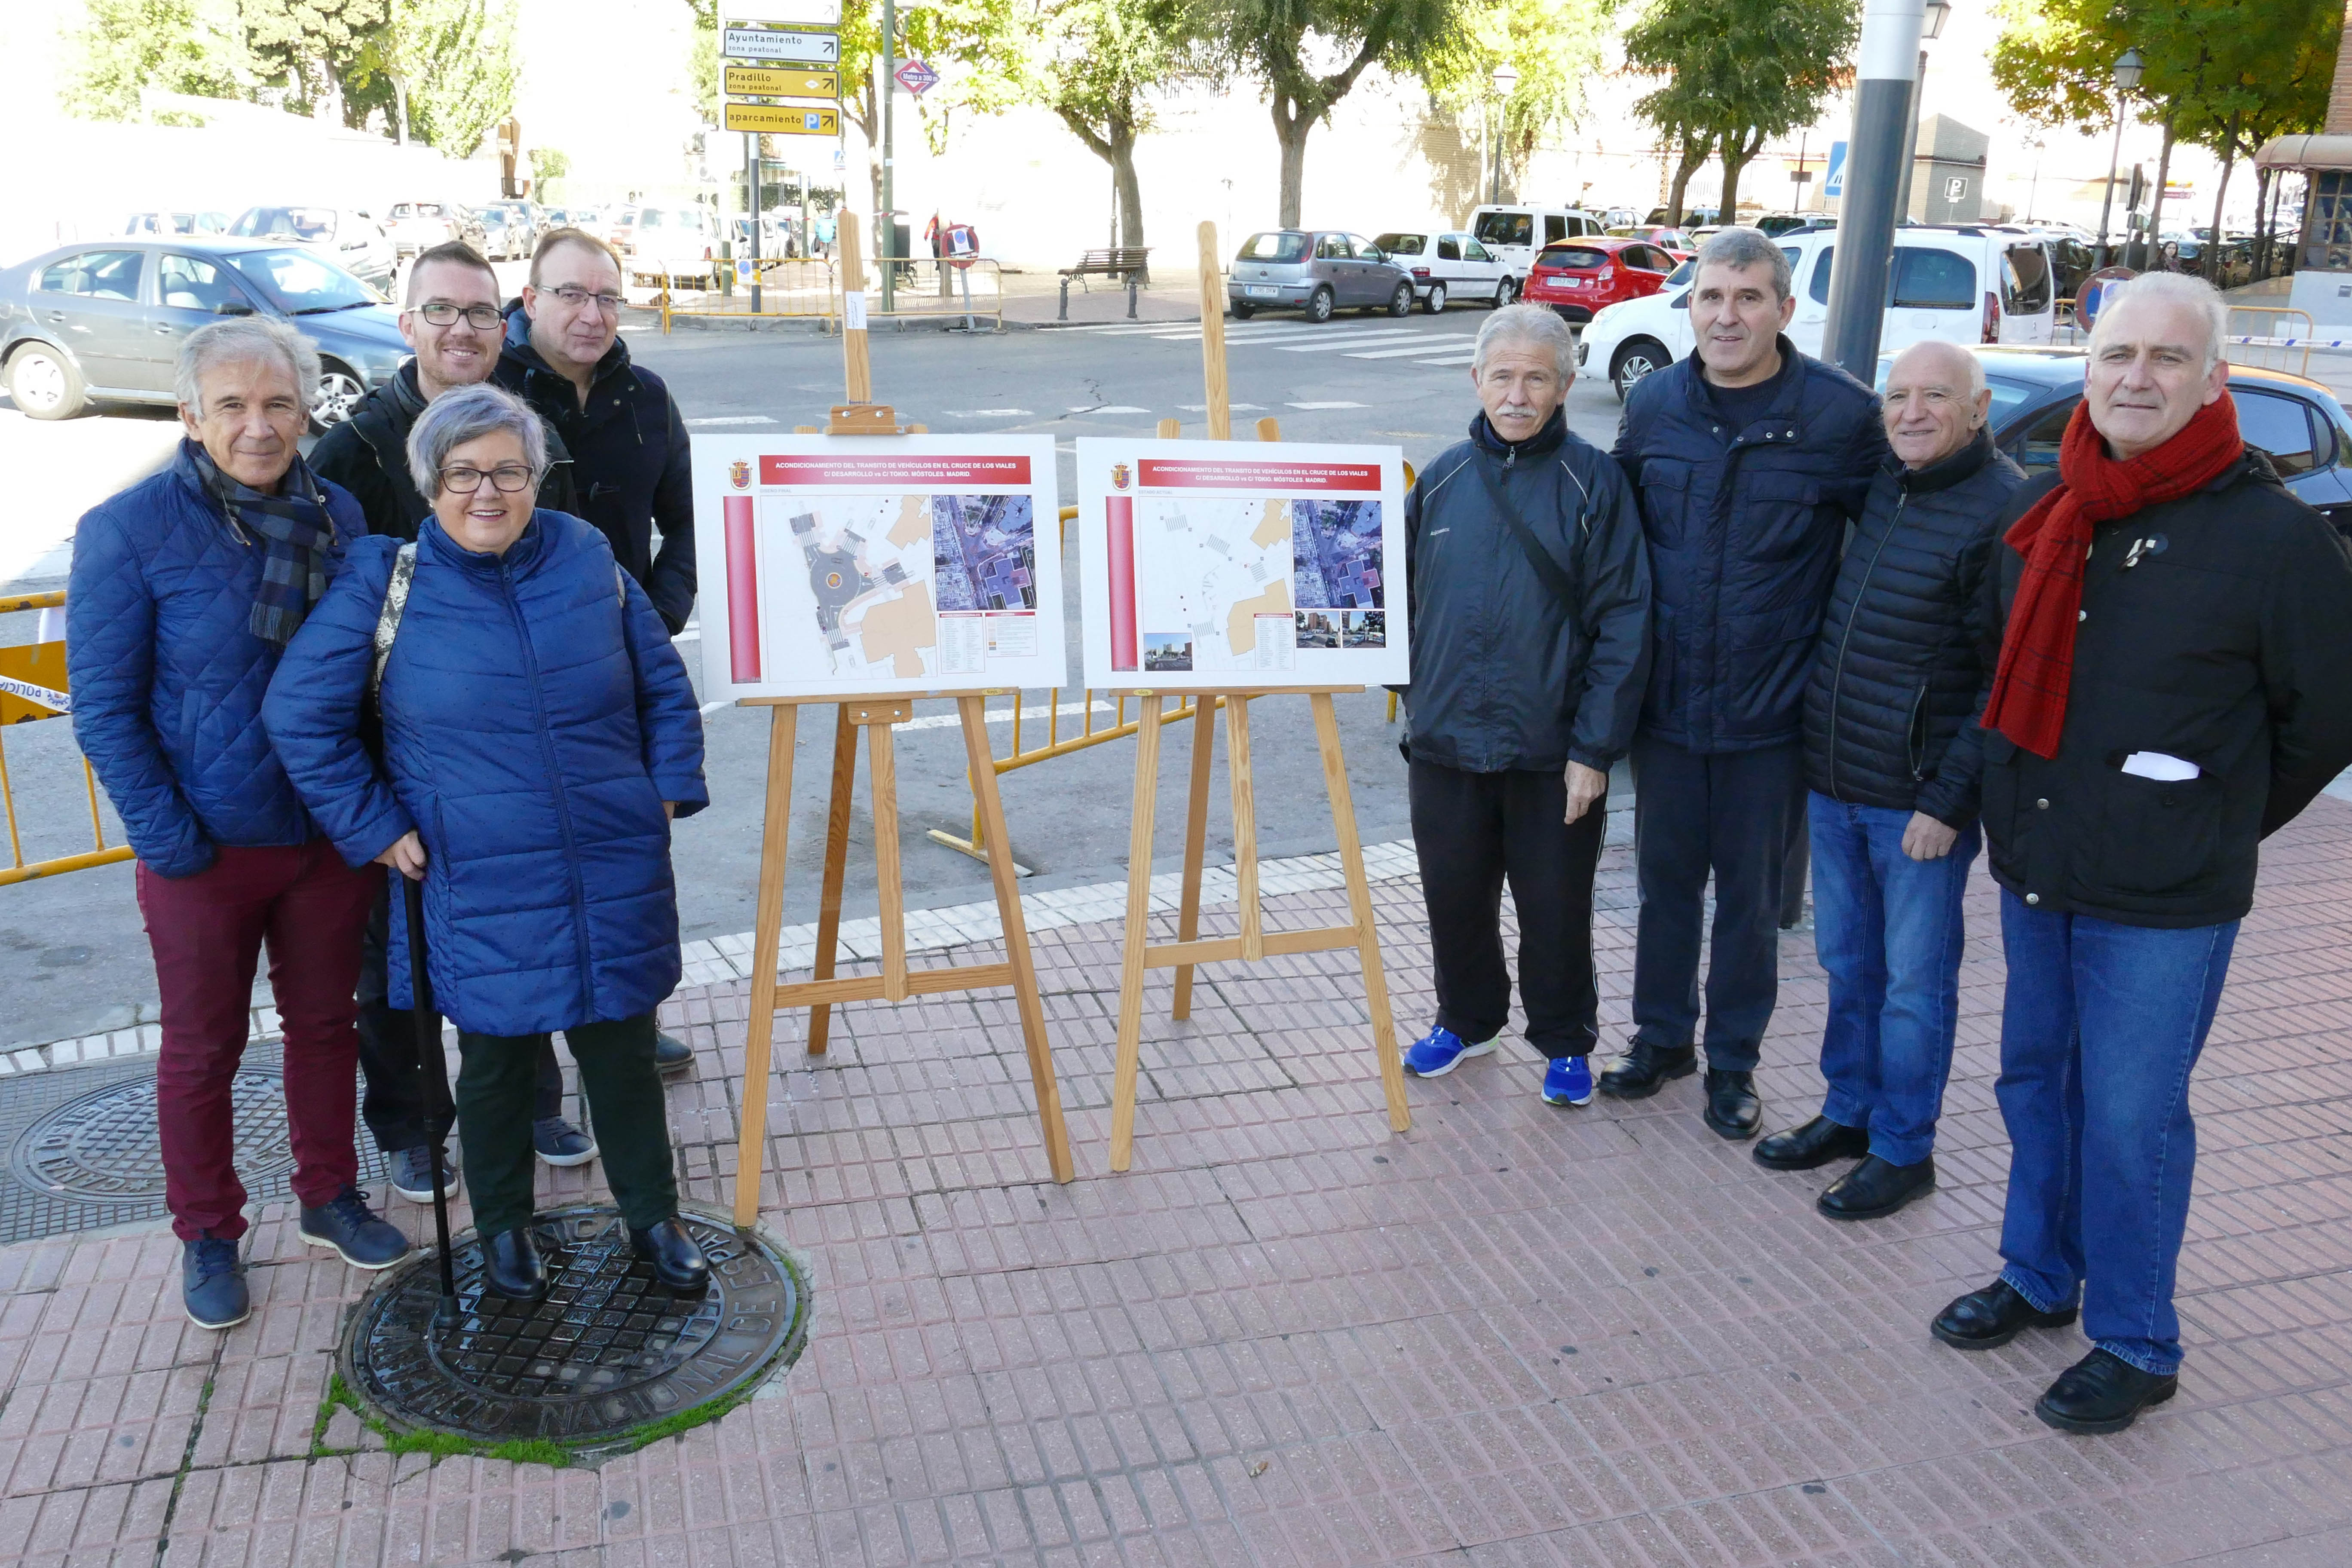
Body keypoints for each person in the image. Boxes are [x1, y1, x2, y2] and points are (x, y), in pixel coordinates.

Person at [1929, 273, 2352, 1433]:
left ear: (2215, 381)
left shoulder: (2271, 536)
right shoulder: (2055, 509)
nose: (2137, 377)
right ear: (2089, 367)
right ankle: (2038, 1276)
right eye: (2119, 354)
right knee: (2035, 1084)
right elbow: (1999, 681)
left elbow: (2326, 717)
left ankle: (2137, 1339)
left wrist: (2213, 818)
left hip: (2163, 897)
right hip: (2040, 866)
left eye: (2169, 359)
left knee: (2130, 1118)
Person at [264, 384, 714, 1302]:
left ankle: (653, 1218)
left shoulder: (586, 555)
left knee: (622, 1055)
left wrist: (664, 791)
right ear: (430, 483)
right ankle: (506, 1234)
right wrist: (375, 823)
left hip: (609, 862)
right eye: (462, 472)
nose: (487, 491)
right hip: (477, 874)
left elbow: (661, 684)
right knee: (499, 1065)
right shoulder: (386, 582)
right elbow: (300, 717)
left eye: (508, 470)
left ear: (536, 477)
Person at [69, 317, 410, 1332]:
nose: (259, 427)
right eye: (233, 406)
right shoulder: (128, 531)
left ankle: (327, 1195)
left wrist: (364, 811)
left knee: (324, 1027)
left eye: (278, 404)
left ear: (307, 411)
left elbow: (364, 680)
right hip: (205, 850)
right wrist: (173, 843)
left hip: (320, 839)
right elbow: (105, 708)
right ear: (191, 415)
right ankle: (209, 1231)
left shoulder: (340, 514)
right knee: (202, 1048)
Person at [310, 240, 603, 1200]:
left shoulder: (521, 424)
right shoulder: (351, 450)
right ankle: (409, 1122)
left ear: (503, 322)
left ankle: (532, 1099)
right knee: (395, 963)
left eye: (480, 312)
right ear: (408, 326)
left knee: (521, 934)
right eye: (442, 311)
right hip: (390, 747)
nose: (463, 330)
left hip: (504, 735)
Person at [1607, 228, 1890, 1137]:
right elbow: (1615, 547)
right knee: (1664, 891)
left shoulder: (1843, 417)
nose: (1727, 316)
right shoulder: (1654, 405)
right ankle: (1661, 1042)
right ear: (1689, 308)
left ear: (1783, 308)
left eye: (1748, 299)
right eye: (1711, 299)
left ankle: (1732, 1065)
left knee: (1751, 906)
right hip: (1668, 711)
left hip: (1773, 715)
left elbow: (1894, 545)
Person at [1758, 341, 2025, 1218]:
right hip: (1836, 781)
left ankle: (1906, 1148)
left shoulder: (2001, 511)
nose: (1912, 412)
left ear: (1977, 410)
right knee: (1849, 965)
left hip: (1917, 806)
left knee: (1915, 985)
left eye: (1935, 397)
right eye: (1898, 396)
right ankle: (1850, 1112)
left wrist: (1949, 801)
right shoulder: (1885, 480)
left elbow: (2007, 678)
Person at [1396, 305, 1651, 1106]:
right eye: (1502, 376)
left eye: (1536, 377)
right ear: (1477, 380)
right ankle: (1467, 1022)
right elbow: (1392, 607)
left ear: (1566, 384)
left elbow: (1625, 621)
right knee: (1455, 899)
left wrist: (1594, 750)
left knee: (1555, 907)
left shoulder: (1593, 482)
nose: (1517, 393)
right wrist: (1410, 695)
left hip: (1552, 752)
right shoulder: (1437, 480)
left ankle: (1566, 1039)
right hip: (1444, 745)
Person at [494, 225, 699, 1076]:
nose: (592, 314)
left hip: (626, 666)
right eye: (572, 295)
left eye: (607, 297)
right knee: (531, 867)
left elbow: (685, 519)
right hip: (519, 670)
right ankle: (533, 1053)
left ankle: (629, 1023)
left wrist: (660, 613)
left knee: (631, 856)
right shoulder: (491, 391)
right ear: (531, 300)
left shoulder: (645, 395)